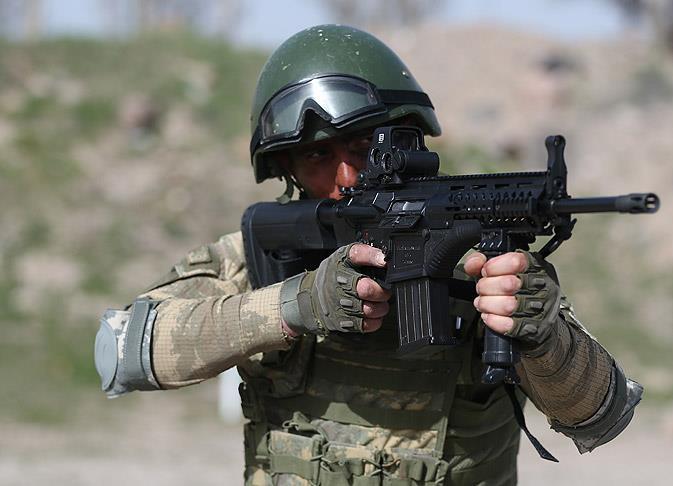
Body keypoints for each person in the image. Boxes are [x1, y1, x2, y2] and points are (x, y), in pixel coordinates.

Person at [94, 24, 642, 485]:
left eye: (363, 147)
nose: (347, 176)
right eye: (316, 156)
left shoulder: (483, 263)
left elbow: (599, 414)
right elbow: (120, 354)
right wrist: (296, 304)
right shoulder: (259, 255)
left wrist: (542, 336)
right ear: (285, 169)